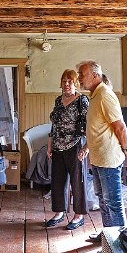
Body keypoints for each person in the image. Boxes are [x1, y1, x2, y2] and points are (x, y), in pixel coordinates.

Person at [77, 60, 127, 242]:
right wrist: (87, 147)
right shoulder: (95, 95)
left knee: (113, 202)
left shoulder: (105, 95)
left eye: (81, 75)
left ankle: (118, 244)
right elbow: (96, 128)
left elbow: (120, 127)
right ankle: (108, 237)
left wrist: (126, 149)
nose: (79, 78)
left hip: (109, 158)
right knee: (102, 199)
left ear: (95, 75)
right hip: (98, 157)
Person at [46, 69, 89, 230]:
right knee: (57, 181)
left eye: (70, 81)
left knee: (77, 181)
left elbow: (89, 124)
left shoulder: (81, 100)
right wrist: (50, 143)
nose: (66, 84)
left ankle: (79, 215)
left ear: (76, 83)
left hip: (75, 145)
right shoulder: (58, 100)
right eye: (64, 81)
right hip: (58, 145)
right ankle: (59, 212)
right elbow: (54, 124)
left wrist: (87, 147)